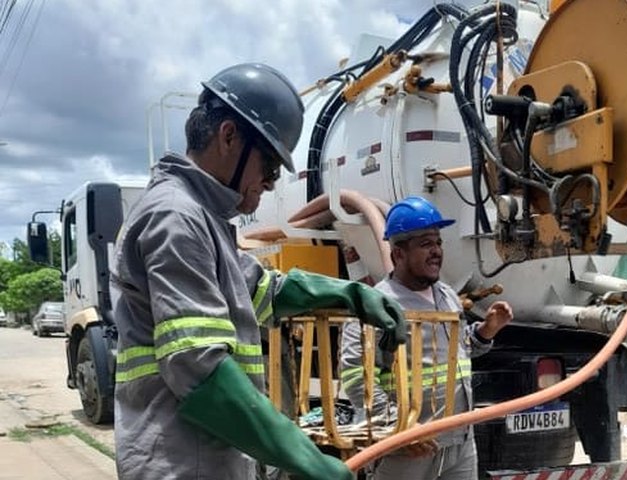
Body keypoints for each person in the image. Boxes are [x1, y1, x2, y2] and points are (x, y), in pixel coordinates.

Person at [110, 63, 407, 480]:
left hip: (206, 460)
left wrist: (353, 296)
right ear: (228, 136)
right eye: (268, 167)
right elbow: (200, 366)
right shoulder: (176, 217)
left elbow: (264, 289)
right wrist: (305, 458)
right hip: (181, 464)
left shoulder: (203, 219)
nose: (269, 185)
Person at [340, 196, 513, 480]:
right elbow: (355, 374)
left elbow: (455, 352)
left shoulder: (446, 296)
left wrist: (485, 331)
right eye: (425, 244)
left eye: (438, 242)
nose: (436, 251)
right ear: (398, 254)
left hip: (459, 443)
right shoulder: (377, 304)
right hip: (407, 450)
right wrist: (400, 429)